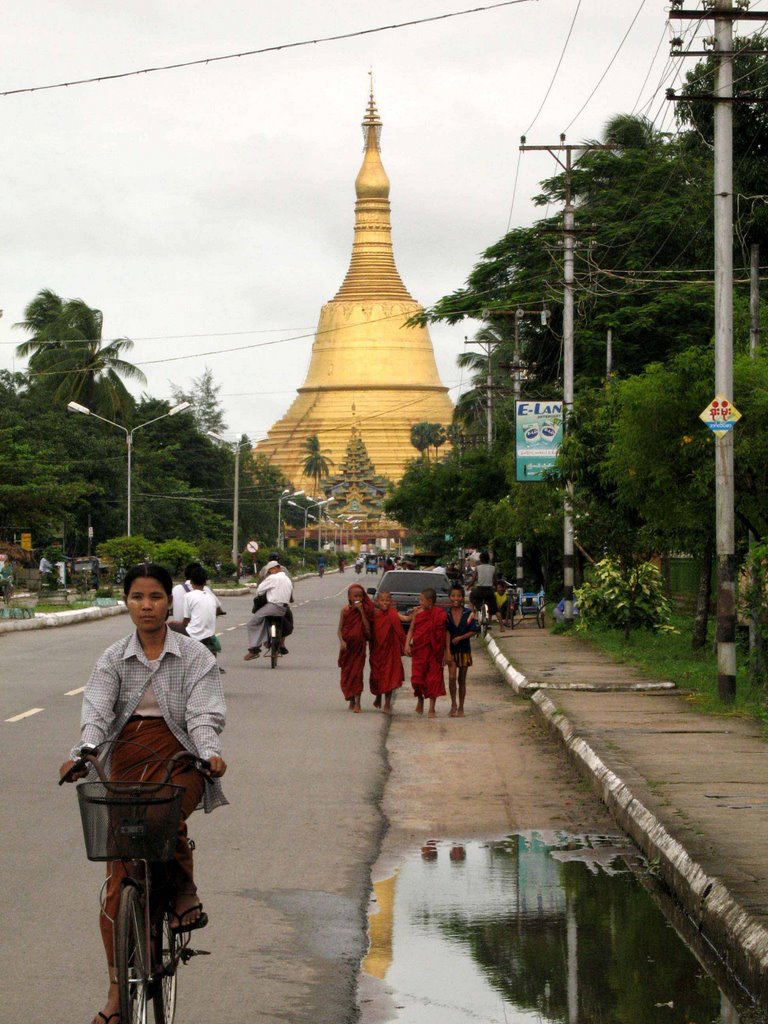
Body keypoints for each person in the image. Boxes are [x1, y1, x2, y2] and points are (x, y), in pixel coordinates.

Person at [59, 561, 227, 1024]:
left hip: (181, 758)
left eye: (155, 597)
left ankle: (182, 889)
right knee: (117, 889)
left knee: (164, 814)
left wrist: (209, 752)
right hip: (126, 761)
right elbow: (95, 712)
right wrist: (84, 752)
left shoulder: (195, 657)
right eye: (137, 597)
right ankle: (116, 997)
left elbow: (203, 714)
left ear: (169, 601)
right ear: (127, 602)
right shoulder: (112, 658)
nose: (146, 606)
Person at [405, 588, 448, 718]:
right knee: (417, 679)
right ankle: (420, 699)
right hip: (419, 651)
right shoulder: (418, 613)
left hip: (434, 653)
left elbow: (444, 635)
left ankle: (432, 708)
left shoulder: (439, 615)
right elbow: (411, 630)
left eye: (421, 600)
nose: (419, 602)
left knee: (433, 680)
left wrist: (446, 653)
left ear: (429, 601)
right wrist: (407, 644)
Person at [244, 560, 293, 659]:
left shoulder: (272, 578)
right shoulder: (287, 579)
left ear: (274, 568)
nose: (270, 573)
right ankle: (281, 644)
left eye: (270, 571)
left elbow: (260, 590)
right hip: (284, 607)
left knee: (253, 623)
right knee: (288, 620)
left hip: (273, 606)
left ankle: (254, 649)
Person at [445, 585, 480, 718]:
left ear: (462, 597)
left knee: (462, 679)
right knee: (452, 677)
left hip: (464, 650)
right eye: (453, 596)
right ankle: (453, 704)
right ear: (449, 597)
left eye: (458, 596)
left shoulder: (468, 613)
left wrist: (460, 638)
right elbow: (446, 631)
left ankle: (461, 707)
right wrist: (447, 651)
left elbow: (473, 630)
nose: (456, 598)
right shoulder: (447, 614)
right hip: (452, 651)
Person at [369, 591, 407, 715]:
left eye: (387, 600)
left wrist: (416, 613)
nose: (385, 603)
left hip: (391, 650)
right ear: (377, 601)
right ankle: (378, 695)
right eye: (382, 600)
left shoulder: (392, 613)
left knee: (390, 675)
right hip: (377, 650)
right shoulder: (373, 614)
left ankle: (387, 704)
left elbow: (405, 618)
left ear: (391, 602)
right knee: (377, 675)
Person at [337, 584, 374, 712]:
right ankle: (351, 699)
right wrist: (342, 641)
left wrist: (361, 611)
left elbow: (367, 628)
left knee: (357, 674)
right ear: (349, 597)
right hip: (347, 648)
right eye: (355, 596)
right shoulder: (345, 610)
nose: (358, 598)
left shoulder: (365, 610)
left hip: (359, 647)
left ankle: (358, 703)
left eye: (360, 596)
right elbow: (339, 630)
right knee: (347, 673)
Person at [182, 564, 221, 659]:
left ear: (190, 582)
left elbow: (186, 620)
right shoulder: (210, 596)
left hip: (193, 635)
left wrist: (179, 624)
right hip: (209, 635)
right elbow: (217, 610)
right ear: (205, 582)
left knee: (172, 628)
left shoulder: (188, 596)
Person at [470, 552, 505, 633]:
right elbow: (495, 580)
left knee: (471, 597)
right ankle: (502, 627)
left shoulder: (477, 568)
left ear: (480, 560)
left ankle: (473, 615)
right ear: (488, 560)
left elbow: (474, 579)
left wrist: (468, 586)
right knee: (495, 609)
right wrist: (495, 587)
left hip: (479, 590)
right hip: (489, 590)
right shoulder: (493, 568)